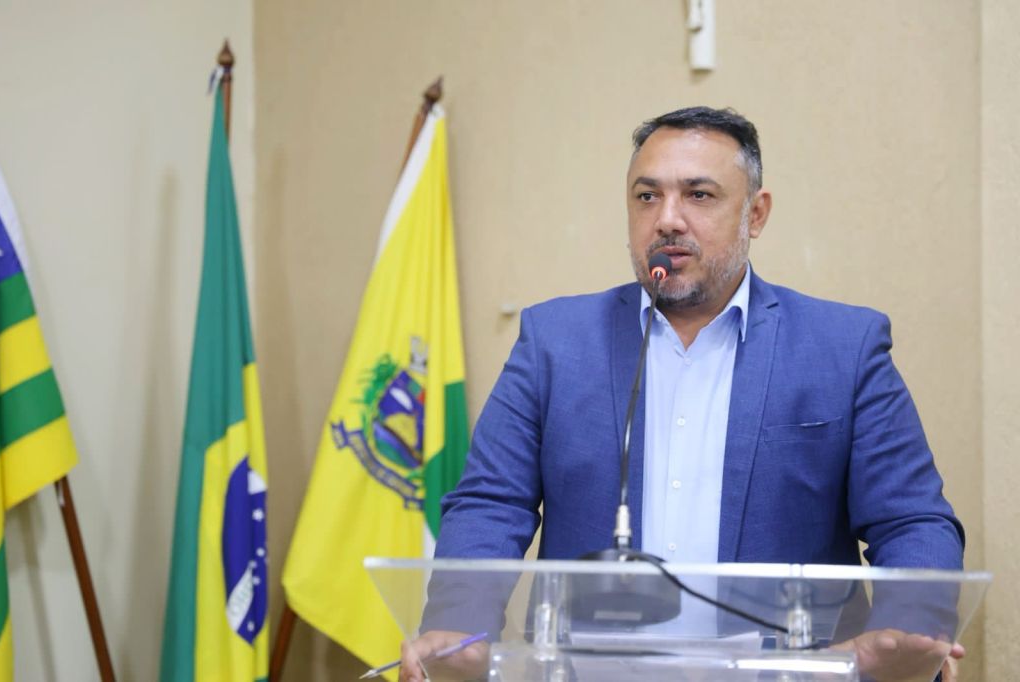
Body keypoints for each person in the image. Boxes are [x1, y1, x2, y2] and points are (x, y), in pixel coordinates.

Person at [398, 107, 966, 682]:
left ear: (756, 214)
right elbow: (490, 504)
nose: (668, 219)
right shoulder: (554, 342)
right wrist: (458, 626)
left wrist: (908, 630)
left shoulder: (842, 347)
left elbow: (913, 521)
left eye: (699, 195)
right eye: (647, 197)